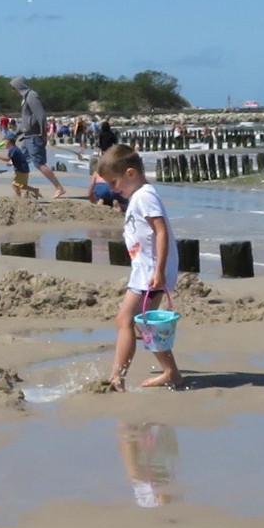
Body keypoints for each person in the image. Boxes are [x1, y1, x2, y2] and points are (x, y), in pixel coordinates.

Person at [97, 144, 181, 391]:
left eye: (114, 183)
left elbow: (162, 231)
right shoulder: (138, 196)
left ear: (131, 174)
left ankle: (117, 378)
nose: (112, 189)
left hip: (151, 272)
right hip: (146, 270)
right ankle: (171, 372)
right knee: (144, 324)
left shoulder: (145, 196)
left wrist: (159, 270)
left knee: (125, 319)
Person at [10, 76, 66, 198]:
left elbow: (40, 115)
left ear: (17, 87)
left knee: (39, 163)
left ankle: (59, 187)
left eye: (12, 88)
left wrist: (43, 133)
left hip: (35, 136)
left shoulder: (31, 96)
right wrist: (15, 134)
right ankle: (22, 187)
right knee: (20, 161)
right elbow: (26, 121)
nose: (12, 91)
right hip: (27, 137)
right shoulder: (24, 98)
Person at [0, 131, 40, 199]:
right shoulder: (14, 149)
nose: (4, 143)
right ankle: (35, 190)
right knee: (22, 186)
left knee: (14, 185)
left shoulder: (13, 149)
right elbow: (16, 159)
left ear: (9, 141)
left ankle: (19, 199)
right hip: (23, 169)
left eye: (5, 141)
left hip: (21, 170)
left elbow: (8, 158)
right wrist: (11, 163)